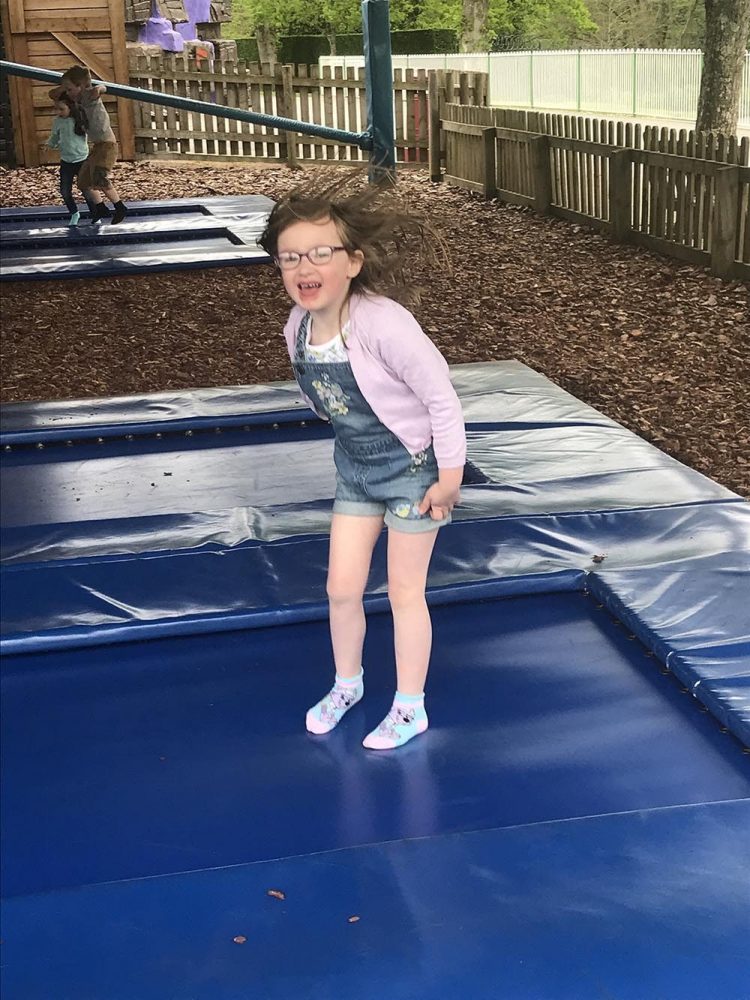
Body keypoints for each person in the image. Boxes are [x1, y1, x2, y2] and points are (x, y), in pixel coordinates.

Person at [259, 178, 466, 751]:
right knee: (341, 588)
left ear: (352, 262)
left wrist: (450, 477)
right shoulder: (297, 328)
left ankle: (410, 707)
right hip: (355, 471)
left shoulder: (383, 323)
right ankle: (347, 685)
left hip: (414, 471)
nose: (305, 266)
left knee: (404, 591)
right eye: (290, 257)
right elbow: (326, 402)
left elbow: (441, 398)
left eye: (320, 253)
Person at [49, 65, 128, 225]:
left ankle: (120, 207)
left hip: (107, 146)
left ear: (81, 86)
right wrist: (66, 86)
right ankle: (100, 207)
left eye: (70, 89)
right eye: (67, 90)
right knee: (83, 181)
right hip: (97, 147)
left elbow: (101, 88)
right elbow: (53, 94)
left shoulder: (89, 94)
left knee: (99, 177)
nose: (68, 93)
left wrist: (99, 88)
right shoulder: (76, 98)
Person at [45, 94, 89, 226]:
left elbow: (92, 131)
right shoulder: (58, 121)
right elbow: (54, 136)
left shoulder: (79, 119)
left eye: (61, 109)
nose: (58, 112)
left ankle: (95, 214)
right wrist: (49, 145)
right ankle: (74, 213)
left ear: (71, 108)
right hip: (66, 161)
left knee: (87, 190)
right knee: (64, 191)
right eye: (56, 109)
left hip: (82, 160)